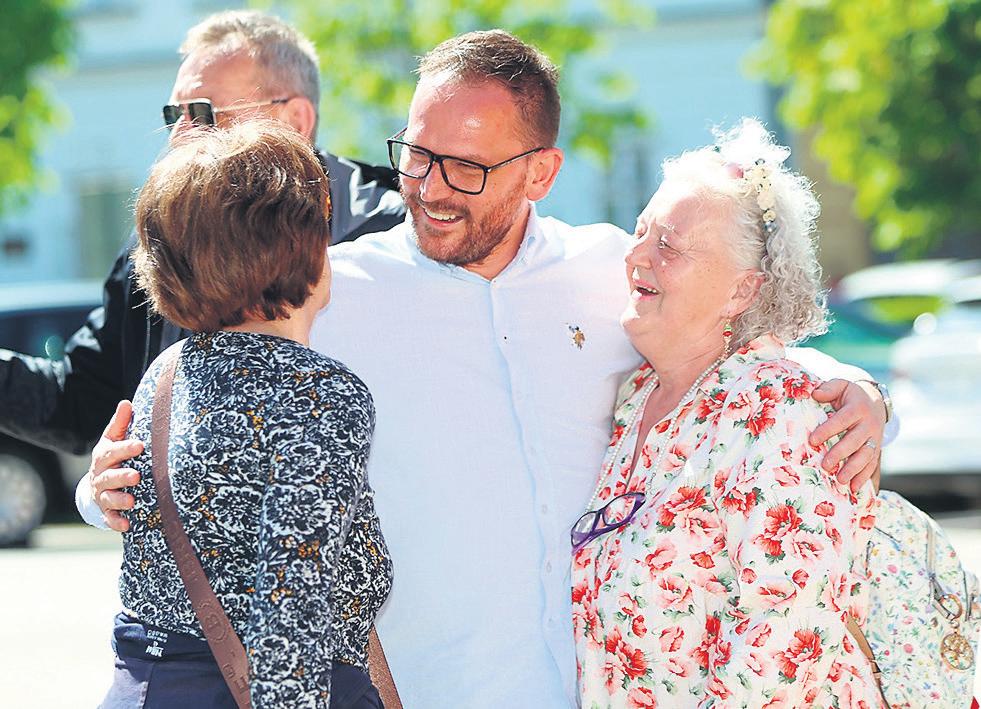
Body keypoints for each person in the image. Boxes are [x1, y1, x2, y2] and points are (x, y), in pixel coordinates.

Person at [82, 31, 888, 708]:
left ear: (540, 172)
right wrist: (100, 490)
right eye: (415, 154)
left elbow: (731, 344)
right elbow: (207, 424)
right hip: (415, 689)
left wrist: (860, 391)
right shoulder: (325, 290)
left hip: (592, 689)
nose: (428, 188)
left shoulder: (611, 271)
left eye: (464, 166)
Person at [571, 119, 882, 707]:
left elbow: (787, 647)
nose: (636, 255)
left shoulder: (783, 411)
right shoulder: (636, 396)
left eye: (669, 245)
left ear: (742, 291)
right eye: (641, 231)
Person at [0, 10, 404, 455]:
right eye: (174, 115)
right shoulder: (163, 239)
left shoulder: (391, 234)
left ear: (295, 119)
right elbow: (86, 402)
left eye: (202, 113)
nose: (181, 136)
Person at [100, 120, 392, 709]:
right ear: (299, 249)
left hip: (149, 687)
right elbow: (290, 620)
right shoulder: (320, 393)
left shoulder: (169, 370)